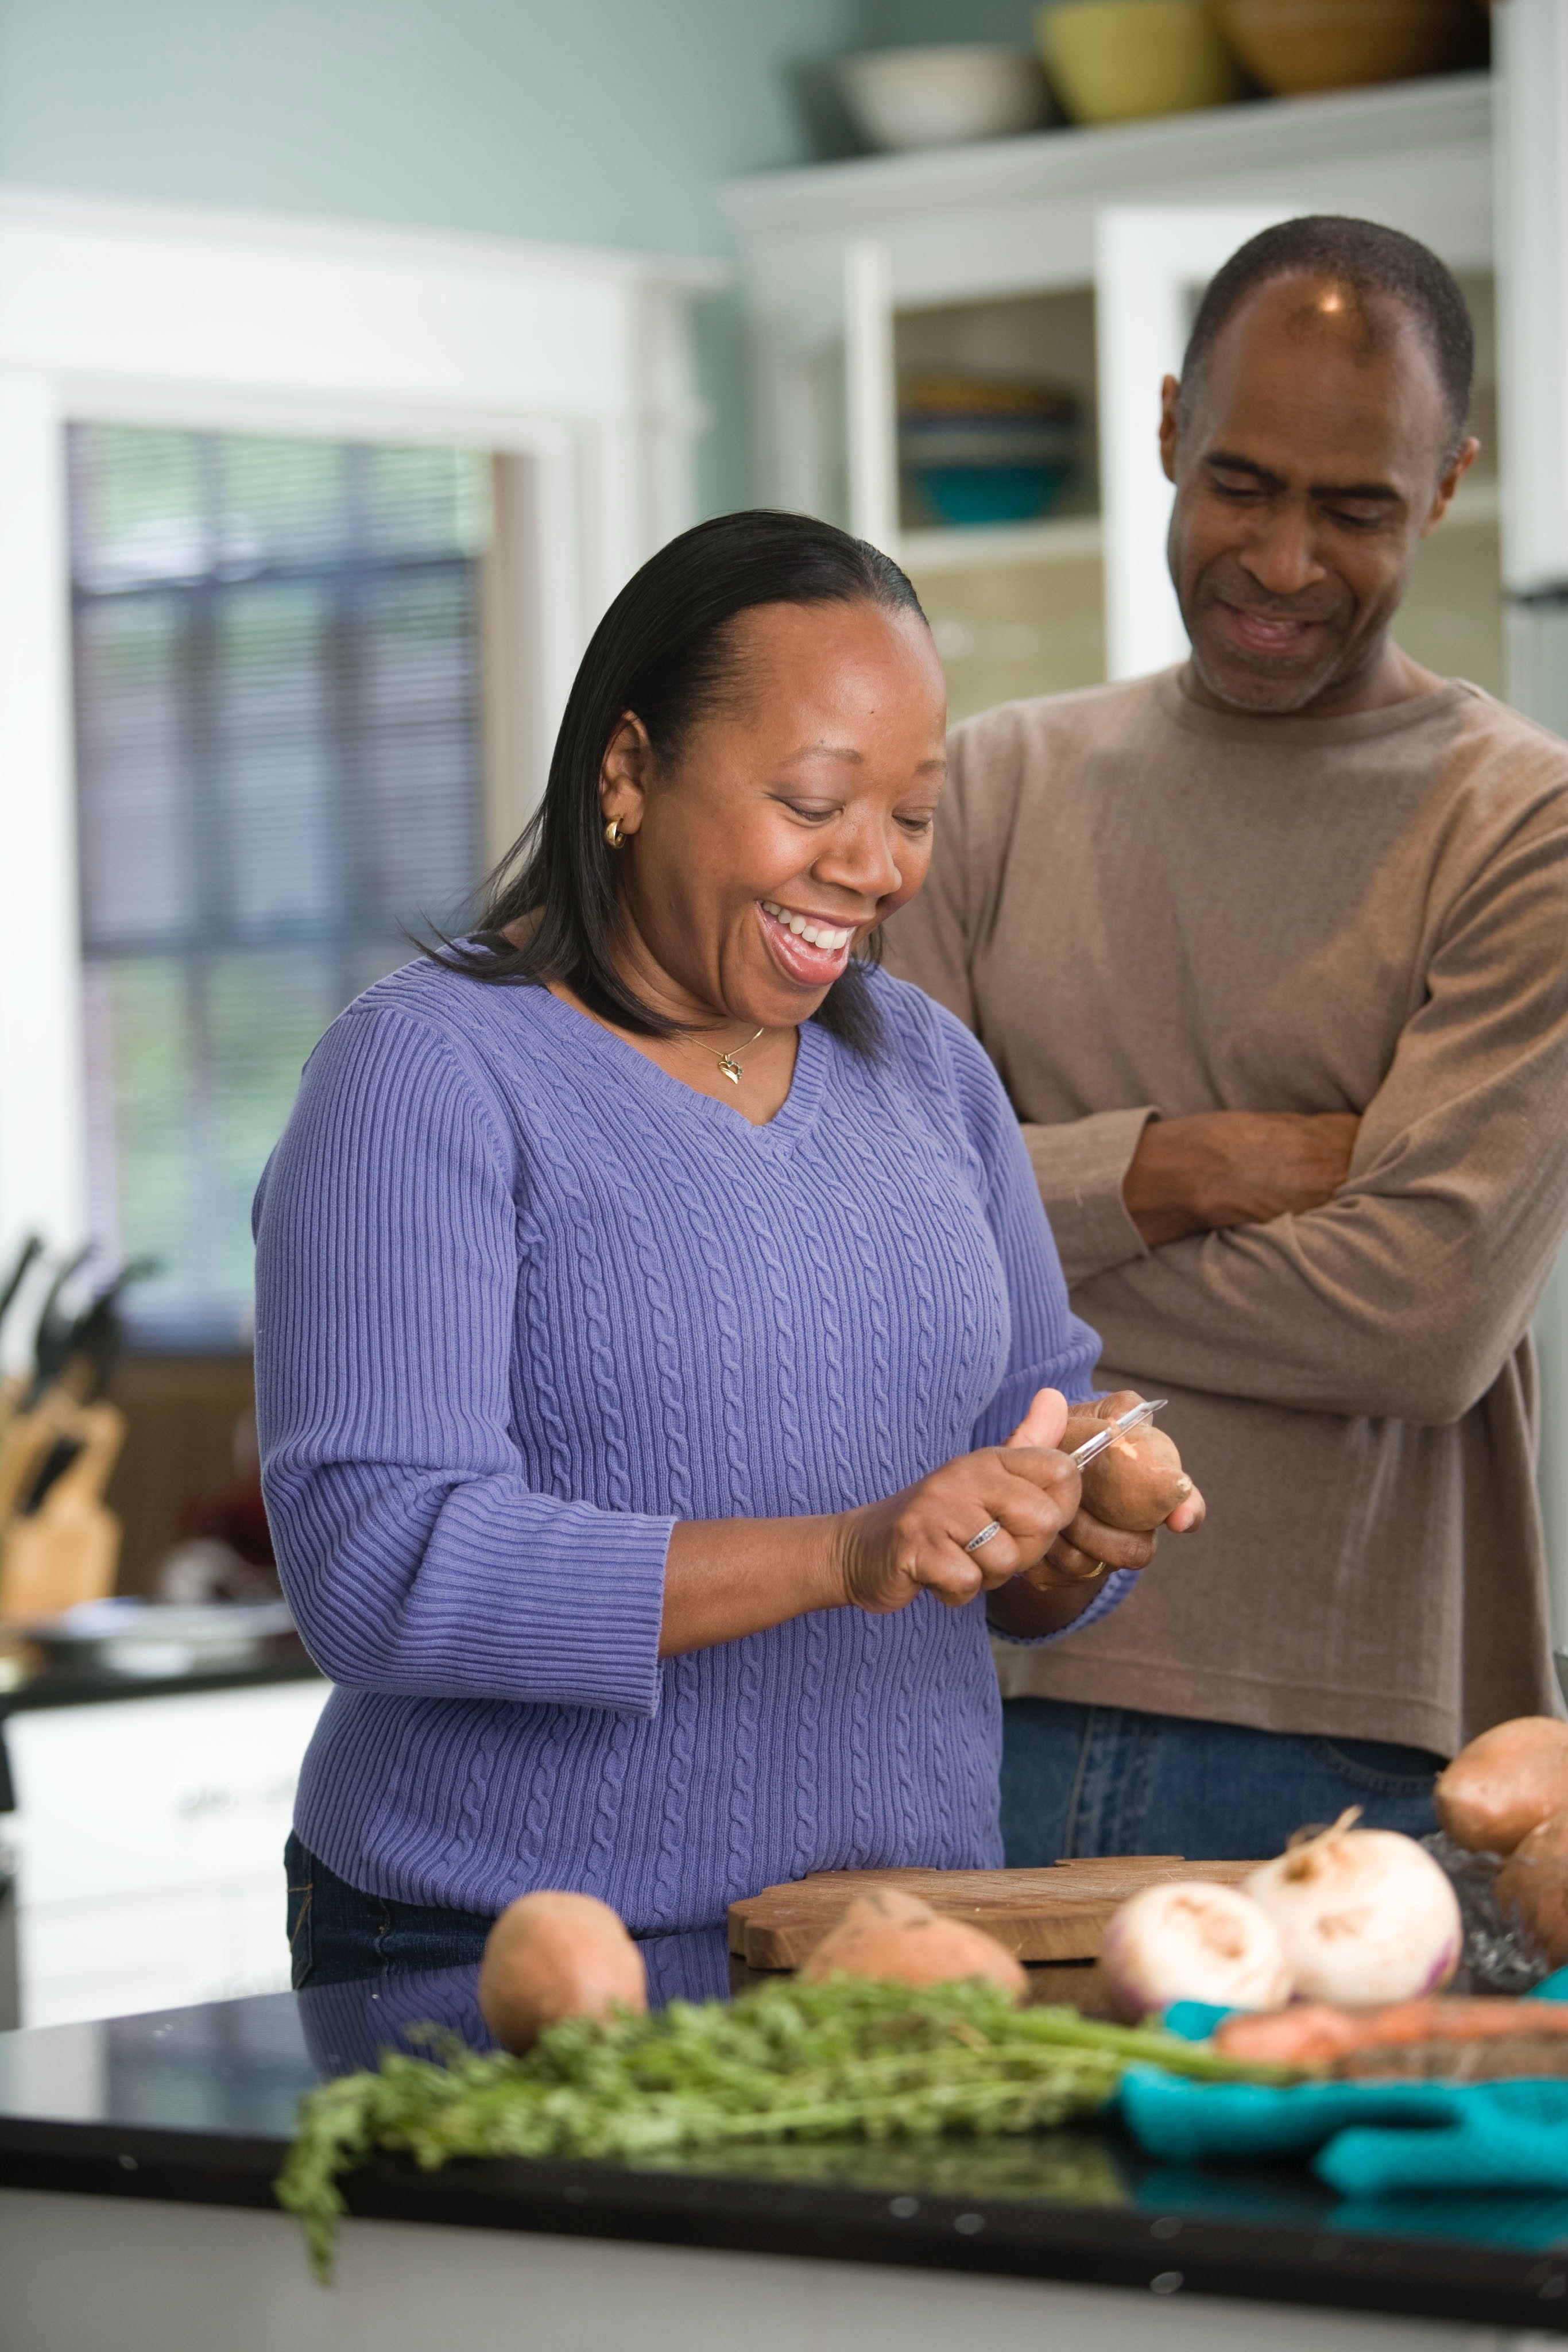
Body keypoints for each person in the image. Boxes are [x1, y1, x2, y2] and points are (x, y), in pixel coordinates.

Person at [255, 510, 1204, 1987]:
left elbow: (1017, 1479)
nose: (877, 867)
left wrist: (1067, 1526)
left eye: (913, 812)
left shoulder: (930, 1069)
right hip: (506, 1946)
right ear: (627, 771)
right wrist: (844, 1547)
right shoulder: (428, 1075)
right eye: (817, 799)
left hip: (897, 1945)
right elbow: (379, 1565)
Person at [884, 215, 1568, 1866]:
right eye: (1243, 484)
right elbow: (870, 1245)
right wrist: (1188, 1167)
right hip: (958, 1682)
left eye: (1355, 509)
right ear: (1169, 424)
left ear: (1449, 483)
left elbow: (1417, 1322)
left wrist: (1017, 1215)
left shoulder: (1519, 826)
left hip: (1351, 1742)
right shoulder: (982, 788)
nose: (1277, 560)